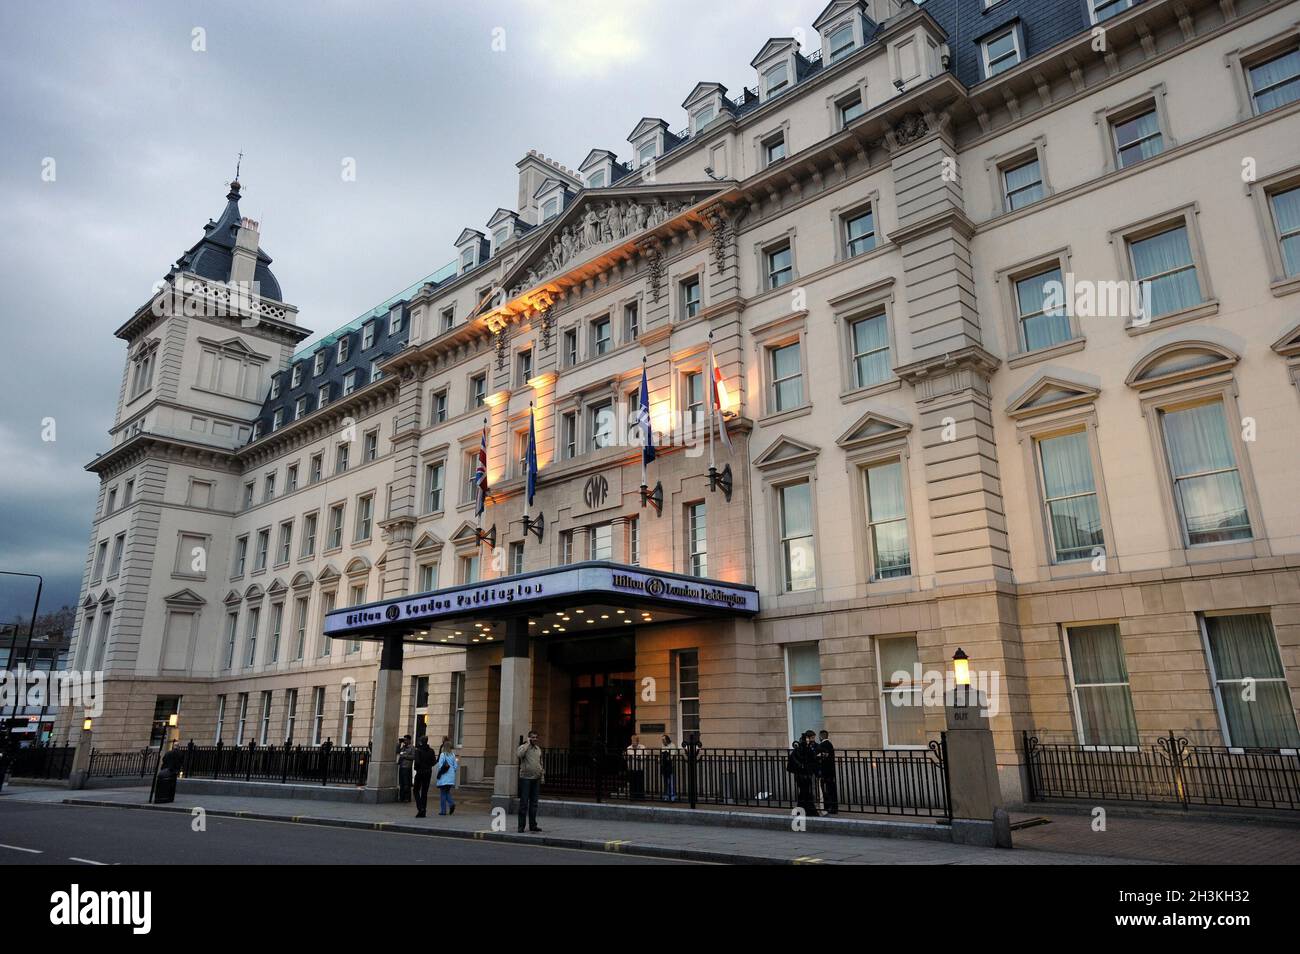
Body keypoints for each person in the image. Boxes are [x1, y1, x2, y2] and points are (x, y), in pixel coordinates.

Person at [516, 730, 544, 833]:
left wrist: (542, 776)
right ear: (529, 738)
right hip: (526, 779)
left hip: (535, 779)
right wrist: (527, 743)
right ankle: (521, 826)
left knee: (534, 804)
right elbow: (519, 755)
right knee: (524, 803)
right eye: (532, 737)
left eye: (536, 737)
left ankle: (533, 825)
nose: (535, 739)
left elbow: (540, 763)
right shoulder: (524, 747)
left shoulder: (538, 749)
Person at [788, 734, 818, 817]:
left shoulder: (801, 749)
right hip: (804, 774)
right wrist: (802, 766)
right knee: (805, 792)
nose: (808, 742)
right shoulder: (802, 749)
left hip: (803, 774)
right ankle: (808, 810)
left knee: (804, 792)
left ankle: (802, 810)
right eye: (807, 740)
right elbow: (811, 760)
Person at [411, 735, 435, 818]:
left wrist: (417, 768)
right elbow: (434, 762)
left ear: (421, 742)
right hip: (428, 772)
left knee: (416, 790)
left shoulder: (418, 750)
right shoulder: (431, 751)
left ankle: (420, 808)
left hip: (420, 772)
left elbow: (417, 762)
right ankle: (423, 810)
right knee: (424, 792)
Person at [817, 729, 839, 815]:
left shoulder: (822, 745)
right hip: (831, 770)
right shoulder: (830, 744)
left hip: (825, 771)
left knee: (826, 790)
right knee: (832, 789)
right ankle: (834, 807)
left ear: (821, 736)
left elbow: (820, 758)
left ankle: (829, 807)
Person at [434, 740, 458, 815]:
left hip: (444, 776)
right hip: (451, 776)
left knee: (443, 793)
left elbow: (440, 765)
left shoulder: (443, 755)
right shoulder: (453, 755)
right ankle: (451, 803)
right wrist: (452, 771)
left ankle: (444, 810)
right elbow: (455, 766)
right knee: (447, 792)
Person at [659, 734, 678, 802]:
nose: (663, 741)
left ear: (667, 739)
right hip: (664, 765)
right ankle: (666, 795)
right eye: (662, 740)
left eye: (664, 739)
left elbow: (671, 756)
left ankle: (672, 796)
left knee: (671, 781)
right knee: (665, 781)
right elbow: (661, 754)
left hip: (670, 765)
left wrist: (666, 756)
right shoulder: (663, 745)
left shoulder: (672, 745)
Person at [396, 735, 414, 803]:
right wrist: (399, 743)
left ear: (409, 740)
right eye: (404, 740)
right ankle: (401, 797)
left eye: (406, 740)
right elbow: (397, 751)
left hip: (407, 767)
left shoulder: (412, 748)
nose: (405, 741)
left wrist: (405, 756)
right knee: (401, 783)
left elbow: (413, 757)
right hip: (401, 766)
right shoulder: (403, 747)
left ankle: (407, 798)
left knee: (407, 784)